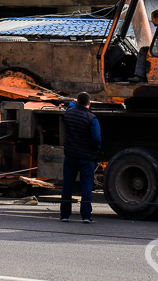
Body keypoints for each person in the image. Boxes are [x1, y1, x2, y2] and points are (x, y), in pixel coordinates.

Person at [60, 92, 101, 223]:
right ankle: (86, 216)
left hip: (70, 156)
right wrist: (97, 149)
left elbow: (70, 107)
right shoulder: (91, 118)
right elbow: (96, 138)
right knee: (86, 187)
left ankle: (65, 214)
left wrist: (72, 102)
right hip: (86, 158)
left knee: (67, 185)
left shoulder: (69, 114)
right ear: (89, 103)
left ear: (77, 102)